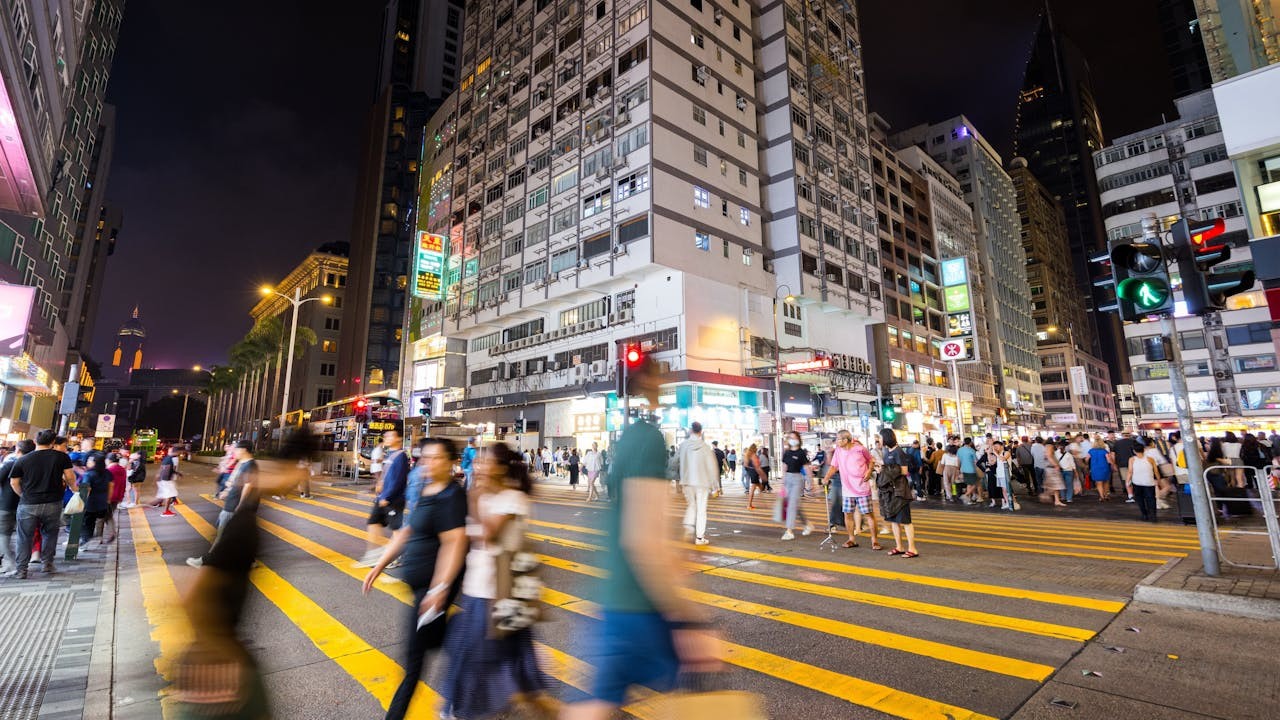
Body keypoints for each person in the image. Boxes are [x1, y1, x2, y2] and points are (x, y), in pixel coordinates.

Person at [561, 356, 721, 720]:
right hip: (640, 604)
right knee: (696, 699)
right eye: (659, 373)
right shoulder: (648, 439)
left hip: (617, 595)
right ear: (649, 380)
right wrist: (688, 616)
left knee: (597, 705)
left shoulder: (630, 437)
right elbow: (643, 538)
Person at [170, 432, 312, 718]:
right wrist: (220, 650)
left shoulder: (248, 517)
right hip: (219, 670)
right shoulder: (244, 525)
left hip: (218, 661)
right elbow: (198, 592)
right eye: (300, 470)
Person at [438, 443, 554, 719]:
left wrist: (475, 496)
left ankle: (465, 708)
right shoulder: (486, 496)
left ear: (500, 468)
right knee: (496, 648)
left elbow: (489, 535)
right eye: (478, 461)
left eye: (485, 462)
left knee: (482, 652)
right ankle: (522, 697)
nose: (479, 466)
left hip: (499, 590)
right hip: (478, 584)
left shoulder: (513, 499)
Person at [363, 438, 468, 720]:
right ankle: (469, 652)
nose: (428, 463)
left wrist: (439, 589)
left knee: (413, 664)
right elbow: (409, 532)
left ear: (451, 462)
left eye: (436, 458)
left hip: (430, 591)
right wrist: (380, 564)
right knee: (439, 642)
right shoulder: (427, 489)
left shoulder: (451, 496)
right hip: (422, 590)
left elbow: (455, 543)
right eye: (425, 458)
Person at [9, 429, 77, 578]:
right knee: (50, 534)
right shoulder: (61, 457)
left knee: (24, 537)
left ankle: (22, 570)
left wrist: (23, 495)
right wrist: (75, 489)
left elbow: (14, 482)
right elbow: (70, 477)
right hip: (53, 502)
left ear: (35, 441)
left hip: (28, 503)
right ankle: (47, 564)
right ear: (53, 442)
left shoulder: (23, 459)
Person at [187, 440, 260, 568]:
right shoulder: (242, 463)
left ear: (244, 450)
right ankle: (249, 560)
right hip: (233, 502)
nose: (234, 452)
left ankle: (206, 560)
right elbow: (234, 481)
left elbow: (248, 486)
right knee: (236, 534)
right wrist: (226, 491)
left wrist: (240, 505)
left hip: (234, 505)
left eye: (236, 449)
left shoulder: (250, 465)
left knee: (222, 534)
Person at [356, 428, 409, 568]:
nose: (386, 438)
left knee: (396, 529)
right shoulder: (389, 454)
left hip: (393, 499)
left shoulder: (401, 456)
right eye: (386, 436)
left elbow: (398, 480)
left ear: (399, 438)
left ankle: (397, 556)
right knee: (373, 522)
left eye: (390, 435)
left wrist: (387, 496)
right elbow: (386, 476)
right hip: (382, 497)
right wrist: (378, 488)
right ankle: (373, 554)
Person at [821, 431, 878, 550]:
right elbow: (834, 466)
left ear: (846, 440)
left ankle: (874, 541)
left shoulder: (860, 449)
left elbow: (871, 460)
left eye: (838, 439)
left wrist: (869, 471)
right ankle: (851, 539)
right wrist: (826, 477)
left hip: (862, 487)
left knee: (868, 514)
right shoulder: (838, 451)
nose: (837, 441)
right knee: (848, 514)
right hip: (847, 489)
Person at [877, 430, 918, 557]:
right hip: (890, 490)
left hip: (900, 490)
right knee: (894, 520)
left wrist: (884, 469)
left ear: (886, 438)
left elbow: (904, 471)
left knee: (905, 520)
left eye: (880, 437)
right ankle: (899, 546)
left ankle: (912, 549)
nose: (879, 440)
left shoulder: (898, 452)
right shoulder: (886, 451)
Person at [677, 422, 718, 546]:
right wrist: (715, 486)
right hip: (702, 482)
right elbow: (712, 467)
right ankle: (699, 538)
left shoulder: (683, 445)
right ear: (700, 432)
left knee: (691, 505)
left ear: (691, 431)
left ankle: (689, 526)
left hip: (687, 481)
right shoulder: (705, 447)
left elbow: (674, 461)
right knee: (701, 509)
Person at [0, 440, 33, 577]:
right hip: (27, 505)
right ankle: (20, 564)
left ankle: (10, 562)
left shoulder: (11, 464)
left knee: (3, 535)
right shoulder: (33, 466)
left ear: (18, 450)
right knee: (23, 536)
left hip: (7, 504)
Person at [777, 431, 814, 540]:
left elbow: (807, 468)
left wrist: (810, 482)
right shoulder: (787, 453)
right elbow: (784, 467)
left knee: (792, 505)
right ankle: (807, 524)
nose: (793, 440)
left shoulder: (801, 453)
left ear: (798, 439)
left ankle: (789, 531)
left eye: (795, 438)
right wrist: (782, 483)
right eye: (791, 438)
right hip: (788, 479)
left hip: (797, 479)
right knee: (794, 505)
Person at [79, 452, 112, 546]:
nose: (88, 462)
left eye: (90, 460)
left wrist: (81, 502)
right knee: (99, 521)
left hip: (90, 504)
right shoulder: (107, 472)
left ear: (95, 462)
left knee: (87, 523)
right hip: (103, 502)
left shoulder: (88, 474)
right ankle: (98, 538)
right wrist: (108, 499)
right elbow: (111, 486)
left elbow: (86, 489)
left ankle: (85, 541)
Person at [1128, 438, 1159, 522]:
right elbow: (1156, 471)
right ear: (1144, 450)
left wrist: (1127, 482)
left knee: (1140, 499)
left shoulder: (1132, 459)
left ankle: (1144, 515)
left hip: (1137, 482)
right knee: (1151, 498)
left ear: (1134, 451)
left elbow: (1130, 471)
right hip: (1149, 482)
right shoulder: (1150, 459)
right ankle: (1153, 515)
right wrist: (1158, 480)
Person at [103, 453, 127, 543]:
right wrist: (122, 496)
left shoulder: (109, 470)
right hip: (118, 496)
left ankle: (110, 533)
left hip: (109, 496)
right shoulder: (122, 470)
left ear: (108, 460)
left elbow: (106, 484)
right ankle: (110, 533)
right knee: (108, 514)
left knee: (106, 516)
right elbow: (124, 484)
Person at [152, 446, 183, 516]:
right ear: (176, 452)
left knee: (164, 495)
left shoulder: (167, 458)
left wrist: (177, 474)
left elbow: (164, 468)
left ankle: (154, 505)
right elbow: (166, 469)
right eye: (178, 452)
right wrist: (168, 480)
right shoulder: (170, 459)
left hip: (163, 480)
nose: (179, 453)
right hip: (166, 480)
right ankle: (166, 511)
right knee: (169, 495)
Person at [1112, 431, 1137, 503]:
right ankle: (1137, 493)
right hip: (1134, 463)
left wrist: (1114, 464)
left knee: (1126, 479)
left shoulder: (1117, 443)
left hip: (1122, 464)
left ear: (1122, 435)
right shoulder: (1134, 441)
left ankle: (1130, 495)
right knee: (1135, 478)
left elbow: (1113, 454)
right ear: (1129, 435)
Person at [957, 437, 979, 504]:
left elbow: (958, 460)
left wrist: (958, 469)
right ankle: (965, 495)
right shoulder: (971, 450)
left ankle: (968, 500)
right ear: (970, 443)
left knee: (969, 484)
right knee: (975, 484)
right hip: (971, 469)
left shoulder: (960, 450)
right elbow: (976, 461)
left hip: (963, 469)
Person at [743, 444, 764, 509]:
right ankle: (749, 505)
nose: (757, 449)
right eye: (756, 448)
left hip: (751, 472)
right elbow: (757, 466)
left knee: (758, 486)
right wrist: (761, 474)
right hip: (755, 472)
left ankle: (762, 489)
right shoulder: (754, 455)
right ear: (754, 449)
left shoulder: (747, 456)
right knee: (753, 488)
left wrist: (750, 470)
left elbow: (745, 465)